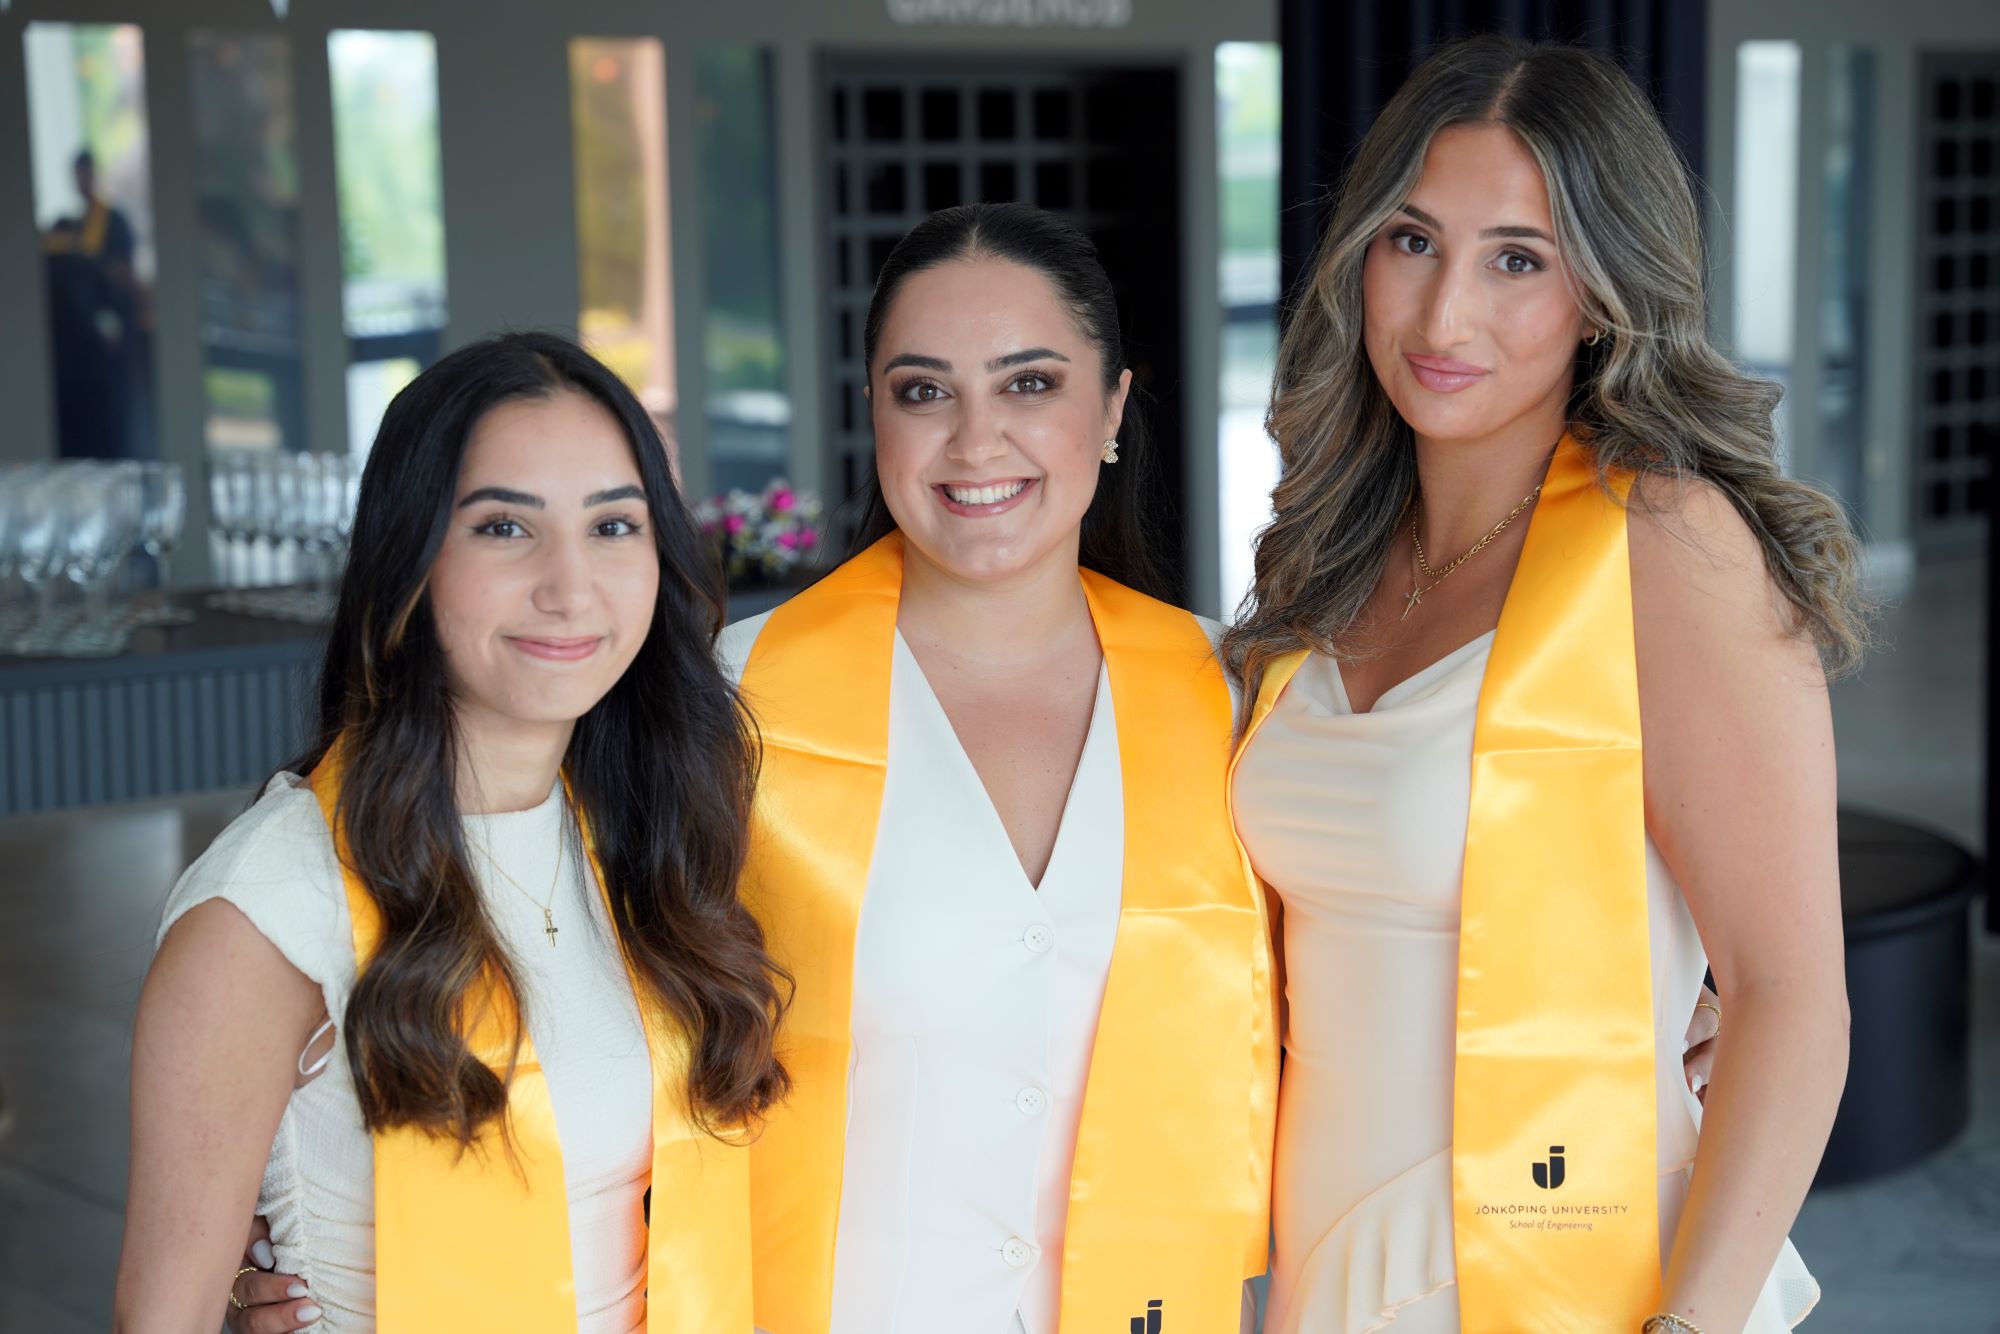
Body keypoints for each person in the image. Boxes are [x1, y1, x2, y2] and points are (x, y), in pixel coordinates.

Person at [1225, 34, 1859, 1334]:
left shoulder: (1665, 543)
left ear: (1606, 289)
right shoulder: (1333, 556)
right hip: (1332, 1270)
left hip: (1579, 1268)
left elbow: (1792, 992)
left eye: (1519, 257)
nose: (1444, 313)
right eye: (1413, 241)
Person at [115, 332, 789, 1332]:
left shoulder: (639, 836)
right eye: (504, 528)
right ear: (410, 555)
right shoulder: (270, 905)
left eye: (613, 525)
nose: (570, 584)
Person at [726, 202, 1275, 1334]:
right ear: (871, 414)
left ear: (1113, 405)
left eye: (1028, 384)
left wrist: (1697, 990)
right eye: (923, 391)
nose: (974, 442)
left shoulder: (1227, 693)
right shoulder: (737, 695)